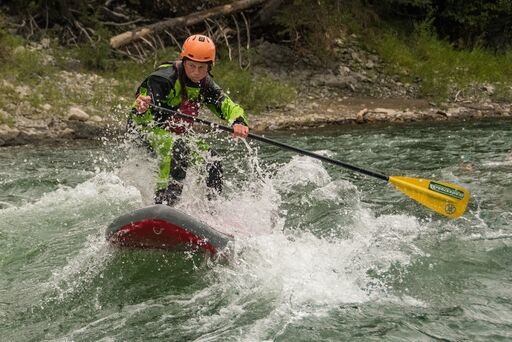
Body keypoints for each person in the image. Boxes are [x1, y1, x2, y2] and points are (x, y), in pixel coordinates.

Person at [128, 34, 249, 205]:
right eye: (192, 66)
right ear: (183, 61)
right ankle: (165, 203)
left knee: (212, 160)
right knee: (178, 148)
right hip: (145, 128)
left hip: (174, 134)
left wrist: (239, 122)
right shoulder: (163, 79)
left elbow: (226, 104)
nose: (196, 72)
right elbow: (142, 112)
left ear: (209, 67)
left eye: (202, 68)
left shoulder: (206, 84)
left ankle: (212, 210)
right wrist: (141, 108)